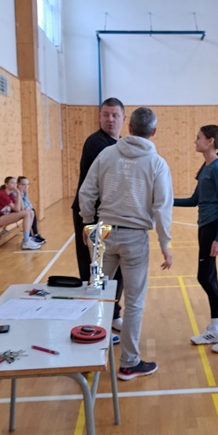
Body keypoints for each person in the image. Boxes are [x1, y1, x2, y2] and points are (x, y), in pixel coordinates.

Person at [79, 107, 173, 380]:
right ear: (154, 132)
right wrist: (165, 243)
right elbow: (162, 207)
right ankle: (129, 363)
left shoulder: (107, 154)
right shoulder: (157, 163)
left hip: (103, 233)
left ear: (129, 128)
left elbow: (87, 191)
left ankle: (86, 358)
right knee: (133, 302)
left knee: (96, 294)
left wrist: (88, 223)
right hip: (135, 236)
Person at [174, 125, 218, 353]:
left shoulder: (217, 168)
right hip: (203, 226)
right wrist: (166, 200)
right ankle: (215, 328)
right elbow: (194, 200)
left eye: (198, 138)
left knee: (204, 278)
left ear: (210, 141)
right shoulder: (206, 167)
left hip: (212, 227)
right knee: (211, 278)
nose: (195, 141)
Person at [72, 97, 126, 332]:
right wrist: (90, 224)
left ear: (123, 118)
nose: (110, 119)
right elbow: (102, 184)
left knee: (117, 266)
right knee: (94, 270)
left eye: (115, 115)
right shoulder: (97, 143)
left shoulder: (120, 144)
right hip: (92, 215)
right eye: (106, 115)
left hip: (111, 215)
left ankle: (112, 314)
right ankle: (95, 320)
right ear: (100, 117)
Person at [0, 177, 41, 250]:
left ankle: (28, 238)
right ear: (6, 184)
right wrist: (18, 193)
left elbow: (21, 208)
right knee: (27, 214)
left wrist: (19, 194)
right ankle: (26, 241)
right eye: (12, 183)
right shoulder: (2, 194)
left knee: (31, 212)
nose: (14, 185)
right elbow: (17, 209)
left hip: (2, 216)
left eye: (15, 183)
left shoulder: (10, 195)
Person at [17, 176, 46, 244]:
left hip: (22, 209)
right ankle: (29, 235)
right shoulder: (17, 193)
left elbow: (29, 204)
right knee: (29, 212)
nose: (26, 186)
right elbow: (20, 206)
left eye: (27, 184)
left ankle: (35, 234)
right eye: (23, 184)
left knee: (32, 210)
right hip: (15, 210)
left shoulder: (23, 192)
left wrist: (26, 195)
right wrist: (27, 208)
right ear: (18, 185)